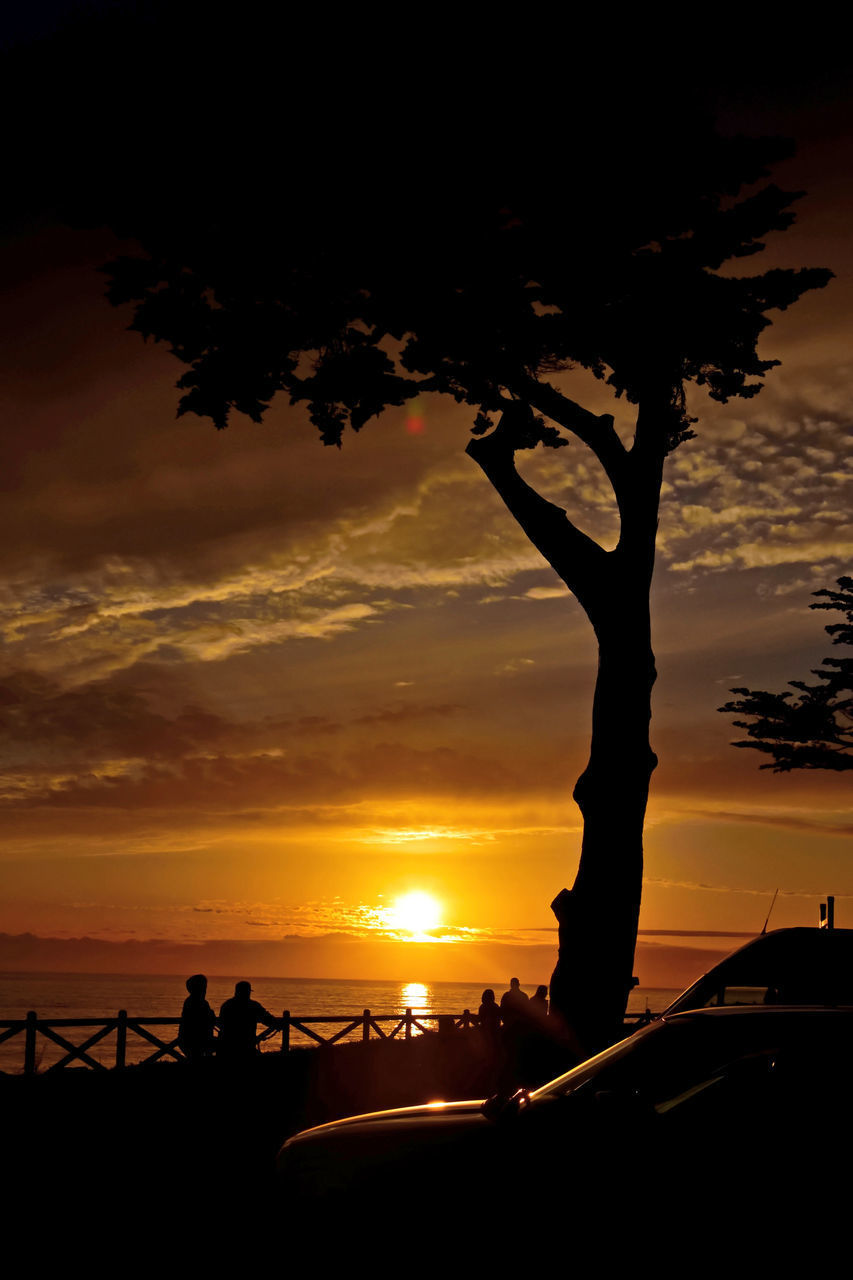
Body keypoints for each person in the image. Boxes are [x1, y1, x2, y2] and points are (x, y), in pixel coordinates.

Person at [217, 981, 278, 1063]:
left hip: (226, 1047)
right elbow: (269, 1020)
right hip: (247, 1047)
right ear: (248, 992)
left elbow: (221, 1024)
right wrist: (260, 1037)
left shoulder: (226, 1005)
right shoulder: (254, 1006)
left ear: (236, 991)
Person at [178, 973, 216, 1061]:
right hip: (194, 1041)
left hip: (192, 1040)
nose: (205, 990)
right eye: (203, 987)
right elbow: (206, 1019)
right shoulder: (198, 1002)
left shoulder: (192, 1001)